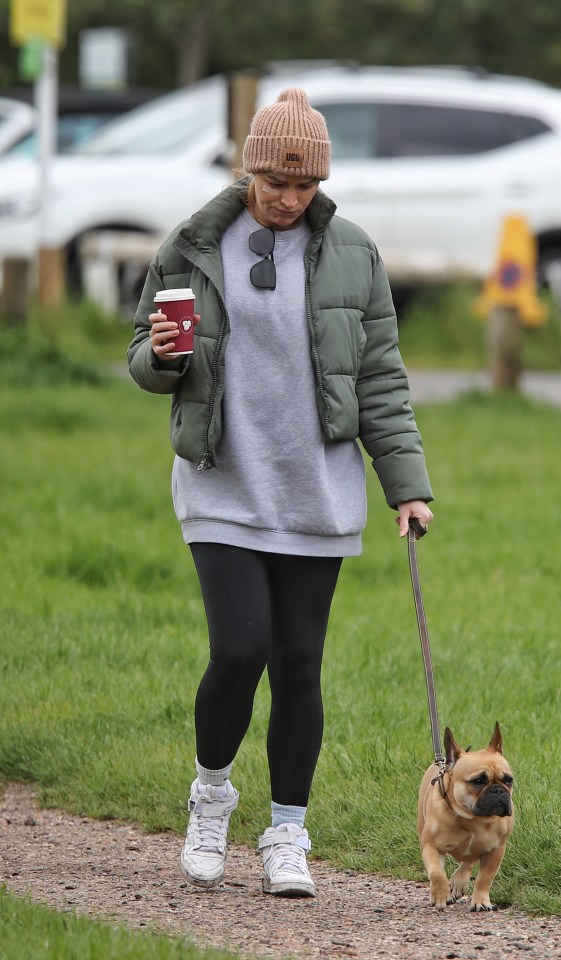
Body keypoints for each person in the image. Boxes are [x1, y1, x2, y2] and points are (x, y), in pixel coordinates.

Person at [128, 87, 434, 899]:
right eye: (274, 182)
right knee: (240, 649)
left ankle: (288, 830)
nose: (287, 199)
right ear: (249, 167)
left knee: (300, 664)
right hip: (222, 481)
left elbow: (380, 380)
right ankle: (211, 794)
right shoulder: (194, 244)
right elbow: (144, 358)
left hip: (315, 492)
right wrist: (160, 356)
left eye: (302, 187)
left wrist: (405, 485)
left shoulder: (353, 254)